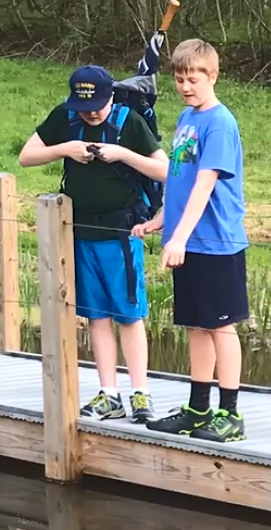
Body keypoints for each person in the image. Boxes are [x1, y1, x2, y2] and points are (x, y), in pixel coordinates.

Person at [19, 65, 166, 423]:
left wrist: (122, 154)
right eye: (85, 106)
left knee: (129, 315)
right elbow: (26, 157)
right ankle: (109, 394)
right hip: (81, 231)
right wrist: (65, 148)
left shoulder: (128, 121)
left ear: (111, 96)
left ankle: (140, 393)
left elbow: (164, 169)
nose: (92, 112)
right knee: (96, 316)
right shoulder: (65, 119)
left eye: (97, 105)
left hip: (122, 233)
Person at [141, 40, 249, 444]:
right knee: (196, 327)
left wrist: (180, 238)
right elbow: (182, 181)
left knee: (222, 328)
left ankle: (230, 414)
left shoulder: (220, 123)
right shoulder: (187, 118)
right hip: (186, 239)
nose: (186, 86)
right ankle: (197, 407)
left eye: (194, 78)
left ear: (212, 76)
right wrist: (161, 221)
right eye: (180, 78)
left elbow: (205, 185)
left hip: (215, 241)